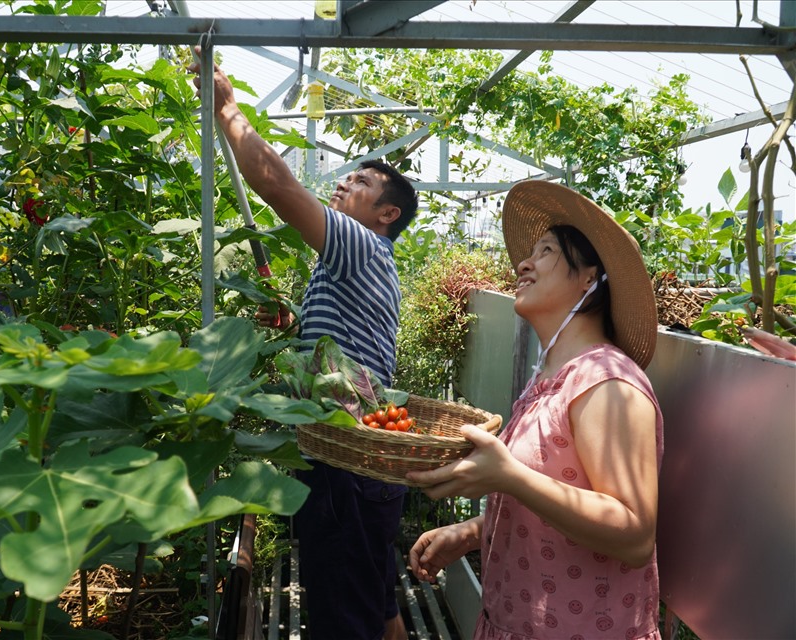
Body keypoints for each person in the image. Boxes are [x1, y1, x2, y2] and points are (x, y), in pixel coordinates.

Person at [190, 51, 419, 640]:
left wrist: (229, 110)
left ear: (386, 214)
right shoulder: (351, 262)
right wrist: (298, 324)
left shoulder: (362, 245)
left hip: (345, 458)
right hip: (366, 458)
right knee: (374, 596)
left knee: (342, 610)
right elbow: (343, 340)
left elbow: (276, 184)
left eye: (361, 181)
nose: (345, 180)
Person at [408, 180, 663, 640]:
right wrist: (472, 531)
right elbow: (558, 494)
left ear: (590, 278)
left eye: (545, 251)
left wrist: (508, 475)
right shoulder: (550, 376)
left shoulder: (606, 380)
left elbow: (634, 534)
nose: (523, 263)